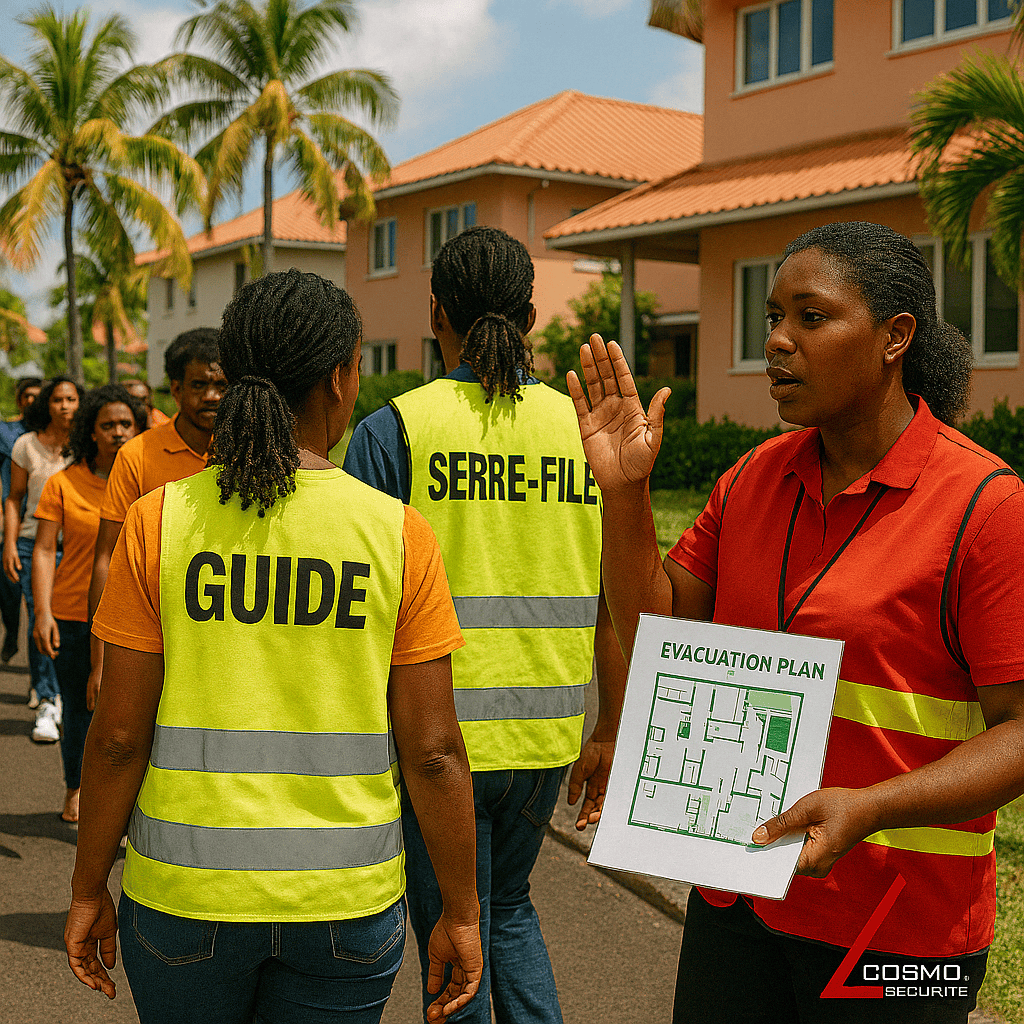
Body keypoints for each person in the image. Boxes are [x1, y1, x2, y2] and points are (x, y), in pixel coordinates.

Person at [568, 221, 1024, 1024]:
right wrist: (625, 493)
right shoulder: (751, 479)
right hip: (738, 895)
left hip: (901, 931)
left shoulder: (986, 508)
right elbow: (656, 641)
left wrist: (873, 804)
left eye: (809, 318)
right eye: (773, 316)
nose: (776, 340)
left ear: (895, 337)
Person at [64, 270, 483, 1024]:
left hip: (186, 898)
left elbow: (119, 737)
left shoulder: (161, 522)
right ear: (339, 375)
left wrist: (88, 886)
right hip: (345, 903)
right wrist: (460, 910)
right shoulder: (396, 533)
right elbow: (433, 752)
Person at [345, 226, 626, 1024]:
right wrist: (609, 723)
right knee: (506, 909)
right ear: (532, 316)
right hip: (548, 732)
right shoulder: (584, 430)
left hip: (440, 739)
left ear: (437, 313)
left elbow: (364, 601)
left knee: (451, 929)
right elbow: (610, 590)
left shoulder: (395, 428)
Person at [87, 329, 224, 705]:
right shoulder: (137, 454)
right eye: (200, 384)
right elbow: (106, 558)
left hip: (223, 632)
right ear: (176, 389)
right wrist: (99, 662)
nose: (212, 396)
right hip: (148, 631)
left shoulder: (249, 454)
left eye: (222, 385)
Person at [32, 384, 145, 822]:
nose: (118, 432)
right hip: (76, 613)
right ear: (91, 432)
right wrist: (42, 613)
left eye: (126, 424)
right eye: (108, 425)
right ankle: (76, 787)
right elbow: (44, 550)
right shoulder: (64, 483)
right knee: (81, 709)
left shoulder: (153, 482)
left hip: (141, 616)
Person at [3, 376, 83, 742]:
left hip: (77, 545)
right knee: (40, 615)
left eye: (72, 399)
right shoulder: (25, 445)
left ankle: (69, 694)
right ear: (46, 405)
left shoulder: (85, 446)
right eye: (58, 400)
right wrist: (8, 543)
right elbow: (15, 498)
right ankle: (49, 700)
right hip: (34, 544)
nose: (65, 406)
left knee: (73, 621)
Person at [0, 376, 42, 668]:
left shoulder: (54, 434)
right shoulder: (8, 433)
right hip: (13, 522)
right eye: (26, 395)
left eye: (37, 395)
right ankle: (11, 633)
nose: (31, 400)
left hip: (43, 526)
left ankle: (42, 686)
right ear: (19, 400)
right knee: (9, 590)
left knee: (38, 605)